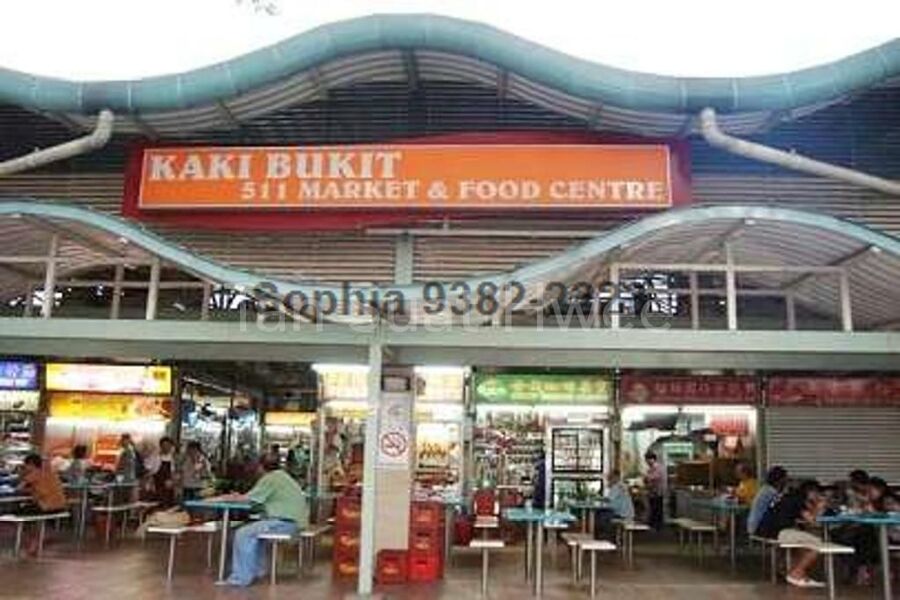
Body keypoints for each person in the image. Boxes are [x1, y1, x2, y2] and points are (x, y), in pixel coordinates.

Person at [219, 455, 310, 587]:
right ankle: (257, 571)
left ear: (260, 467)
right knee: (255, 532)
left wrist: (227, 497)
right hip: (294, 522)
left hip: (284, 522)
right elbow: (258, 499)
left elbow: (249, 499)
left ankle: (241, 578)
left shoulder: (270, 478)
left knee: (243, 534)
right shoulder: (283, 476)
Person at [757, 479, 828, 588]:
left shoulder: (791, 498)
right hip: (779, 532)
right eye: (818, 493)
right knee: (817, 543)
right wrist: (820, 506)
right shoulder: (798, 500)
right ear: (810, 492)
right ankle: (796, 574)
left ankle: (798, 573)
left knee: (804, 544)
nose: (819, 496)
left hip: (768, 531)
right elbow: (813, 521)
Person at [17, 454, 67, 555]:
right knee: (28, 511)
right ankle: (37, 539)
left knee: (20, 513)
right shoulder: (51, 473)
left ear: (31, 464)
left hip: (46, 506)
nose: (25, 467)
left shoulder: (34, 474)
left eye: (26, 465)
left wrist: (23, 478)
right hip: (60, 506)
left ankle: (34, 542)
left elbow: (19, 488)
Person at [747, 466, 787, 535]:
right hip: (758, 526)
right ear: (779, 480)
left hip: (754, 525)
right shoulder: (771, 492)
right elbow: (778, 507)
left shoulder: (765, 489)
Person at [149, 437, 177, 507]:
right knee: (157, 504)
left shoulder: (172, 458)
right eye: (164, 445)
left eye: (168, 446)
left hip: (169, 485)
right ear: (160, 446)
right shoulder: (155, 457)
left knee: (169, 504)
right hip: (157, 484)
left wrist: (173, 481)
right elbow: (149, 471)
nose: (166, 447)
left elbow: (172, 471)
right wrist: (151, 483)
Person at [643, 452, 665, 531]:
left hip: (658, 492)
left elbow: (654, 478)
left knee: (657, 509)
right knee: (653, 509)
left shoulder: (658, 468)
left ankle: (658, 527)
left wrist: (647, 477)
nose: (646, 462)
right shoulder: (651, 468)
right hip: (652, 492)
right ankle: (653, 525)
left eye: (647, 460)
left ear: (652, 459)